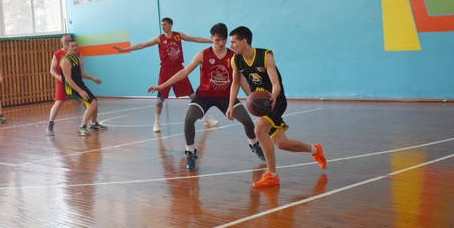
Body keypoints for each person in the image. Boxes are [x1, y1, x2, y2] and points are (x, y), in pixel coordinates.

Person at [148, 23, 265, 171]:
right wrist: (162, 85)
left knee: (247, 121)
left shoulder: (234, 56)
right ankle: (190, 152)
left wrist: (252, 97)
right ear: (211, 38)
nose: (221, 43)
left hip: (225, 97)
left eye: (223, 40)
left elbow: (240, 80)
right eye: (217, 40)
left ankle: (254, 144)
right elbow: (184, 72)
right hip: (204, 96)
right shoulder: (203, 55)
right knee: (189, 119)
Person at [225, 26, 326, 188]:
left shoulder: (265, 56)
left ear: (244, 41)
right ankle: (315, 149)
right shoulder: (236, 60)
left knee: (259, 130)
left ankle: (272, 175)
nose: (231, 46)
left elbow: (276, 84)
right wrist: (231, 106)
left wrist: (273, 95)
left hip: (275, 100)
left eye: (233, 42)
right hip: (263, 105)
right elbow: (235, 83)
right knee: (281, 143)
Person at [114, 17, 219, 132]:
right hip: (165, 71)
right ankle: (156, 123)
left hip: (179, 69)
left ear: (170, 25)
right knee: (160, 99)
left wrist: (212, 41)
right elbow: (142, 45)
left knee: (193, 96)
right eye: (162, 25)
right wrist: (125, 49)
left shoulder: (178, 35)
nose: (162, 26)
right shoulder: (159, 39)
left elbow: (195, 39)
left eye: (164, 24)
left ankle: (206, 119)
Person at [60, 39, 107, 136]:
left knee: (94, 102)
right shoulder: (66, 60)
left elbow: (80, 73)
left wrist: (92, 78)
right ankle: (82, 127)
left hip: (80, 85)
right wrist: (80, 91)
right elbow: (68, 79)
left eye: (76, 45)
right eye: (72, 46)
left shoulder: (76, 57)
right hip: (72, 89)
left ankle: (93, 124)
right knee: (92, 104)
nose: (75, 47)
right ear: (67, 47)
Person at [46, 34, 84, 136]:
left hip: (74, 81)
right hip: (62, 81)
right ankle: (50, 125)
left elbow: (81, 70)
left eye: (69, 40)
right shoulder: (58, 54)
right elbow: (52, 70)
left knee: (89, 99)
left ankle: (93, 122)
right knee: (58, 102)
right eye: (65, 40)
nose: (67, 41)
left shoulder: (77, 54)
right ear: (62, 42)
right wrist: (58, 77)